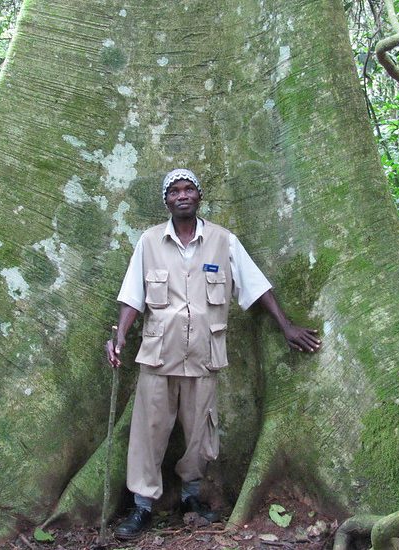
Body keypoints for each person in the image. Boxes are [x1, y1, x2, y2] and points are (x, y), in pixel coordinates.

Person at [105, 168, 321, 539]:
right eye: (175, 191)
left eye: (189, 189)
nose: (183, 195)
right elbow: (132, 297)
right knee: (149, 431)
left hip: (204, 354)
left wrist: (286, 326)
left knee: (200, 434)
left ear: (199, 197)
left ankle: (191, 498)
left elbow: (256, 286)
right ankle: (141, 506)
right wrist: (120, 338)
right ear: (167, 200)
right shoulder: (150, 241)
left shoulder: (223, 241)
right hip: (158, 355)